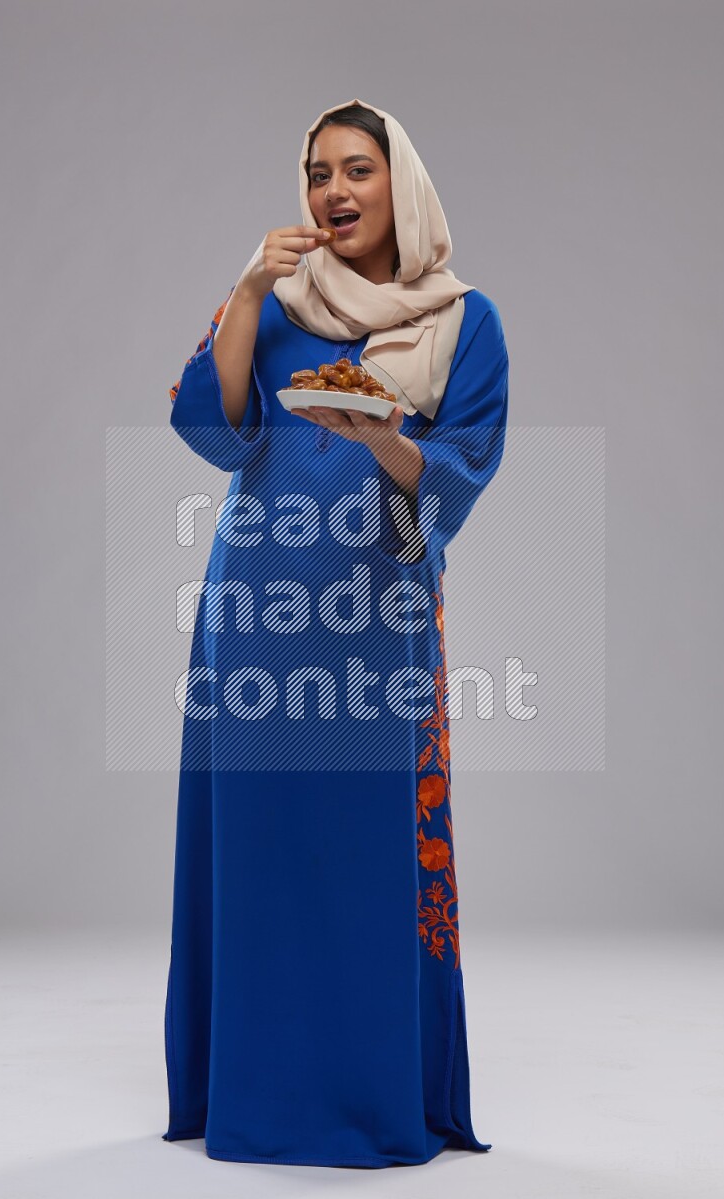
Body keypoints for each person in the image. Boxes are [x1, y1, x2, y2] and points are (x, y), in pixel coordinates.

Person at [162, 98, 509, 1168]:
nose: (335, 191)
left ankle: (368, 1094)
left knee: (367, 854)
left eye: (358, 169)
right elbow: (214, 430)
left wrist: (383, 438)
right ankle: (255, 1095)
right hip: (257, 614)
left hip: (378, 621)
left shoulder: (461, 319)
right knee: (261, 848)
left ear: (399, 182)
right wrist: (251, 289)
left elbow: (454, 482)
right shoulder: (268, 306)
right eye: (318, 173)